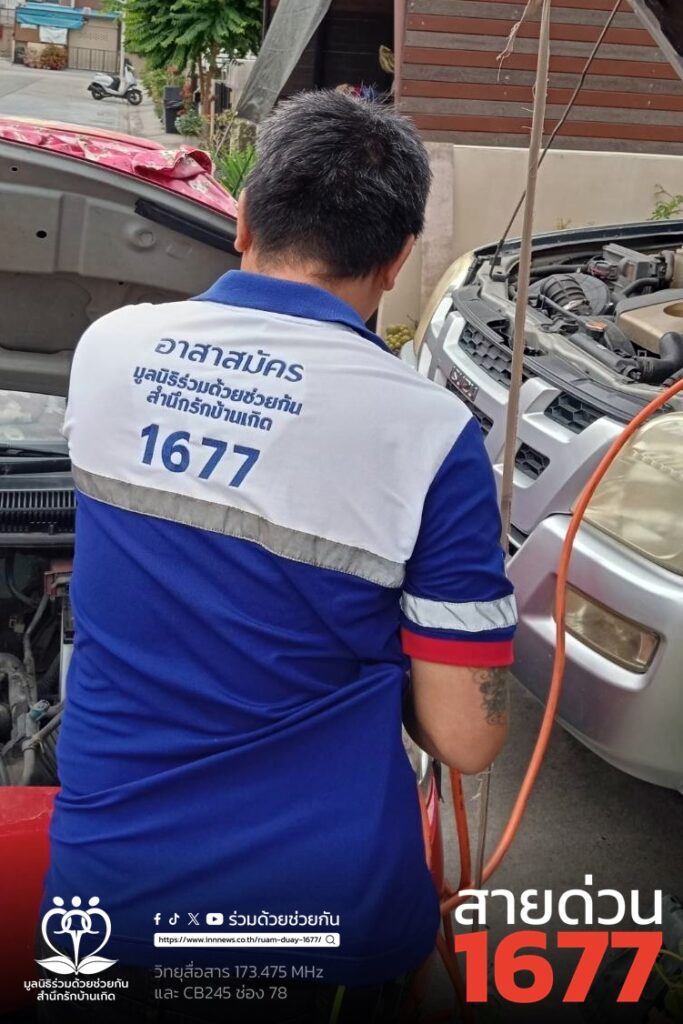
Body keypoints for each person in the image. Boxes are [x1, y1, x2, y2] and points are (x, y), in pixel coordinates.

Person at [38, 90, 516, 1022]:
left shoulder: (109, 349)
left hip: (109, 892)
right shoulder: (428, 434)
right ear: (398, 257)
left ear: (245, 217)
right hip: (315, 913)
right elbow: (466, 737)